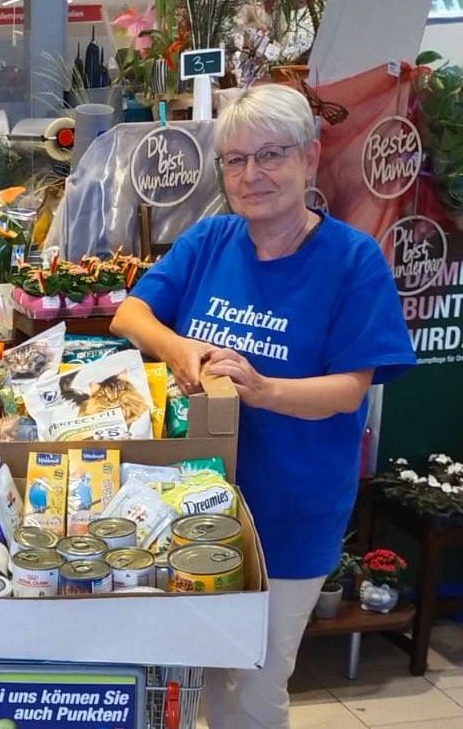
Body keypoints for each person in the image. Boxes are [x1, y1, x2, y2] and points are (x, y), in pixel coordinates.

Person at [111, 83, 416, 728]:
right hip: (191, 504)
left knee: (253, 684)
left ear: (310, 157)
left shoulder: (353, 261)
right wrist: (178, 348)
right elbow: (129, 315)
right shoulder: (210, 241)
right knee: (190, 677)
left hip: (290, 514)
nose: (252, 174)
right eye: (236, 160)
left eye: (271, 155)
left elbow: (349, 389)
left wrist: (264, 389)